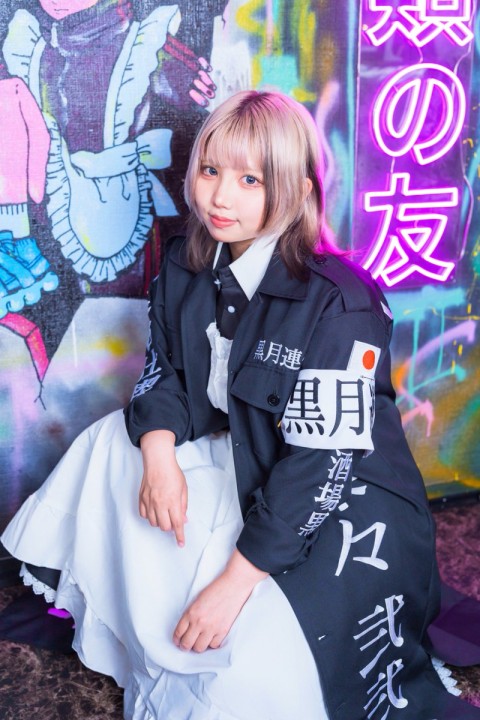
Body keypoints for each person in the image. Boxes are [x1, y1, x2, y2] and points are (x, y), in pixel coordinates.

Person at [1, 90, 479, 720]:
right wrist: (159, 456)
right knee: (116, 440)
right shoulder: (185, 263)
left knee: (243, 686)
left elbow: (320, 467)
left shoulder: (342, 302)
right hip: (247, 459)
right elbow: (164, 373)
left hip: (341, 501)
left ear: (298, 190)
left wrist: (233, 584)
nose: (220, 198)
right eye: (210, 170)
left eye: (250, 180)